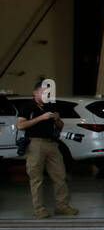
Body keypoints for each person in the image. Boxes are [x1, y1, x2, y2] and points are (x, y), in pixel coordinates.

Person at [15, 78, 78, 219]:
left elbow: (61, 126)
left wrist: (56, 119)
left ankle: (62, 206)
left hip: (52, 144)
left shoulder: (51, 106)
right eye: (43, 93)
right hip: (35, 144)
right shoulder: (27, 107)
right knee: (36, 177)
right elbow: (20, 125)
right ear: (35, 92)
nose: (46, 96)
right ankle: (39, 208)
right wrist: (40, 118)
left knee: (60, 176)